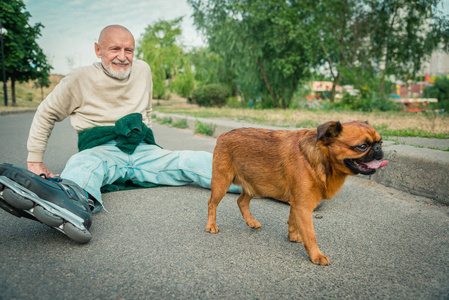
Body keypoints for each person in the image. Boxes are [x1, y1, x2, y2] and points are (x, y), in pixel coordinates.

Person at [0, 25, 239, 243]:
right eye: (115, 49)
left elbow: (146, 110)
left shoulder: (143, 70)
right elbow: (46, 112)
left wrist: (146, 138)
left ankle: (262, 181)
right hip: (101, 150)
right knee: (83, 164)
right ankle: (69, 204)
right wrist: (35, 161)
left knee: (192, 159)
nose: (123, 57)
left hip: (141, 149)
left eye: (129, 50)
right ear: (98, 50)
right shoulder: (79, 78)